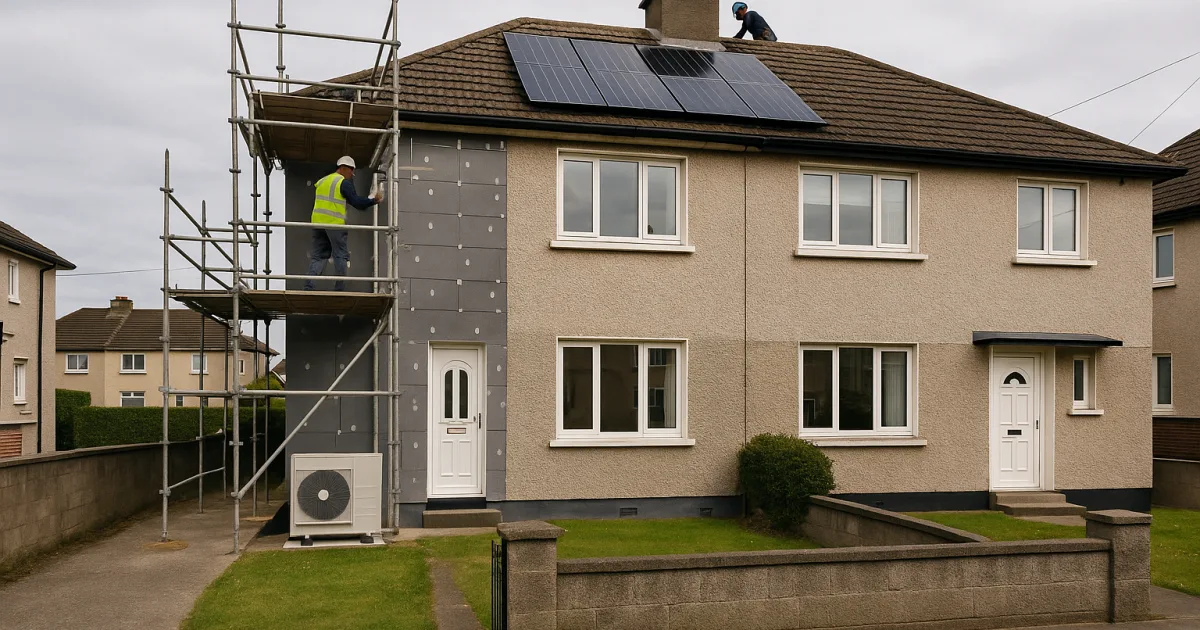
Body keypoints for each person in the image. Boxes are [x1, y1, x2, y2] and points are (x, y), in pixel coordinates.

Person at [304, 156, 383, 291]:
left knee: (319, 257)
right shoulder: (343, 182)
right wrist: (373, 201)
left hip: (317, 224)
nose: (352, 175)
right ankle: (339, 289)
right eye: (351, 171)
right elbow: (357, 203)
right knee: (340, 255)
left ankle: (308, 286)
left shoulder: (323, 181)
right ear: (344, 168)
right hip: (334, 224)